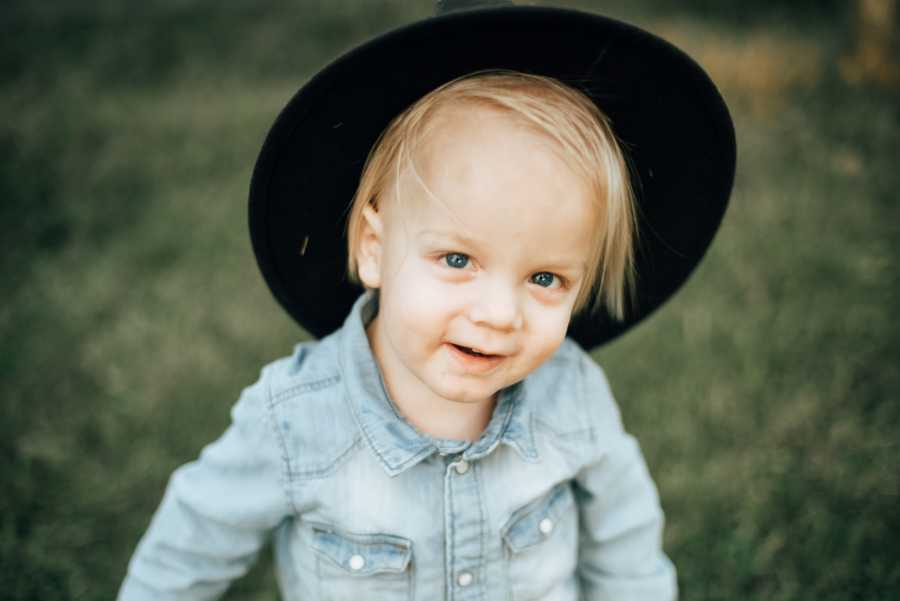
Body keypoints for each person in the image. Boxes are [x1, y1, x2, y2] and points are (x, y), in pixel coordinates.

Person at [118, 2, 735, 600]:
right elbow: (189, 548)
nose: (499, 314)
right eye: (458, 260)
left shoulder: (572, 397)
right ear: (372, 247)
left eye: (545, 278)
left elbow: (625, 548)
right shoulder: (293, 422)